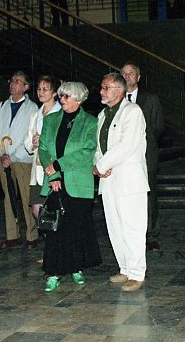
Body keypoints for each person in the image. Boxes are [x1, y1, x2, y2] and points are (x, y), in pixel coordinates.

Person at [38, 82, 101, 292]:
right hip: (55, 181)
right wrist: (54, 174)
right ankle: (53, 272)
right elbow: (43, 149)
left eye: (66, 96)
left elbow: (88, 151)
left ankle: (76, 267)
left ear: (79, 100)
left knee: (76, 227)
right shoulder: (50, 120)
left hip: (78, 182)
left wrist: (59, 164)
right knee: (56, 229)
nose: (62, 100)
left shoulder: (90, 122)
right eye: (61, 96)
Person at [94, 72, 149, 292]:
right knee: (115, 227)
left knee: (132, 227)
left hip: (129, 180)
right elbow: (98, 146)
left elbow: (127, 145)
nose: (101, 91)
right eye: (102, 87)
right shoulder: (102, 114)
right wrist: (99, 163)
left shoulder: (132, 112)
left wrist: (101, 165)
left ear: (119, 90)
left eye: (106, 88)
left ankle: (137, 273)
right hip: (109, 180)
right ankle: (125, 267)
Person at [0, 71, 40, 249]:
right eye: (12, 80)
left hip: (22, 159)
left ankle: (32, 234)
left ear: (26, 87)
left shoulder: (32, 108)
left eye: (18, 81)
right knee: (8, 197)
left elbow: (30, 135)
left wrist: (14, 156)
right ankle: (12, 235)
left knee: (27, 197)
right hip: (4, 159)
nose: (13, 84)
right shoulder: (1, 106)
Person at [121, 62, 164, 251]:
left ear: (138, 77)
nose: (127, 76)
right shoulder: (116, 99)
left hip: (146, 155)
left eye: (131, 73)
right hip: (123, 158)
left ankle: (151, 234)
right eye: (124, 73)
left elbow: (158, 127)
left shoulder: (150, 99)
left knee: (149, 196)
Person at [24, 75, 63, 223]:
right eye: (39, 89)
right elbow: (27, 140)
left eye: (45, 89)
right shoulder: (35, 115)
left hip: (53, 166)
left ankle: (55, 236)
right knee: (36, 209)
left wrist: (44, 141)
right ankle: (48, 234)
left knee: (54, 209)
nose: (41, 92)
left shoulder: (60, 113)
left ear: (54, 93)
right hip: (38, 168)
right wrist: (33, 144)